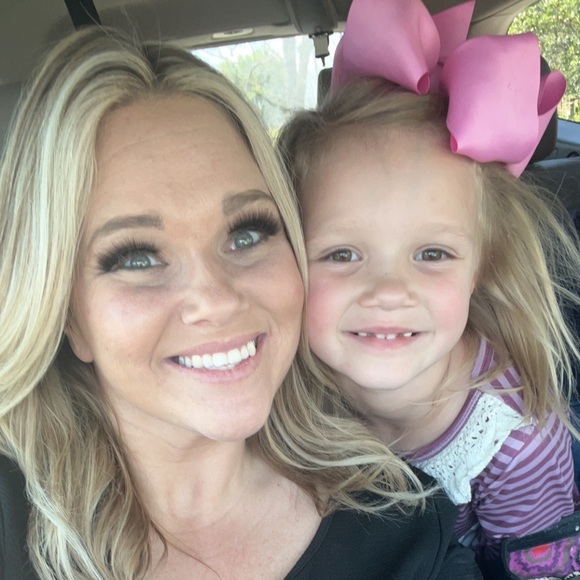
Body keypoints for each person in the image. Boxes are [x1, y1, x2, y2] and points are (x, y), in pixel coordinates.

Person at [0, 25, 483, 580]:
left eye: (247, 233)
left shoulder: (404, 524)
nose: (217, 299)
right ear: (66, 314)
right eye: (136, 257)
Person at [278, 0, 580, 576]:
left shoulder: (515, 442)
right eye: (342, 254)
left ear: (481, 266)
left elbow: (538, 569)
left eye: (432, 254)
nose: (388, 291)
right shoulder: (289, 389)